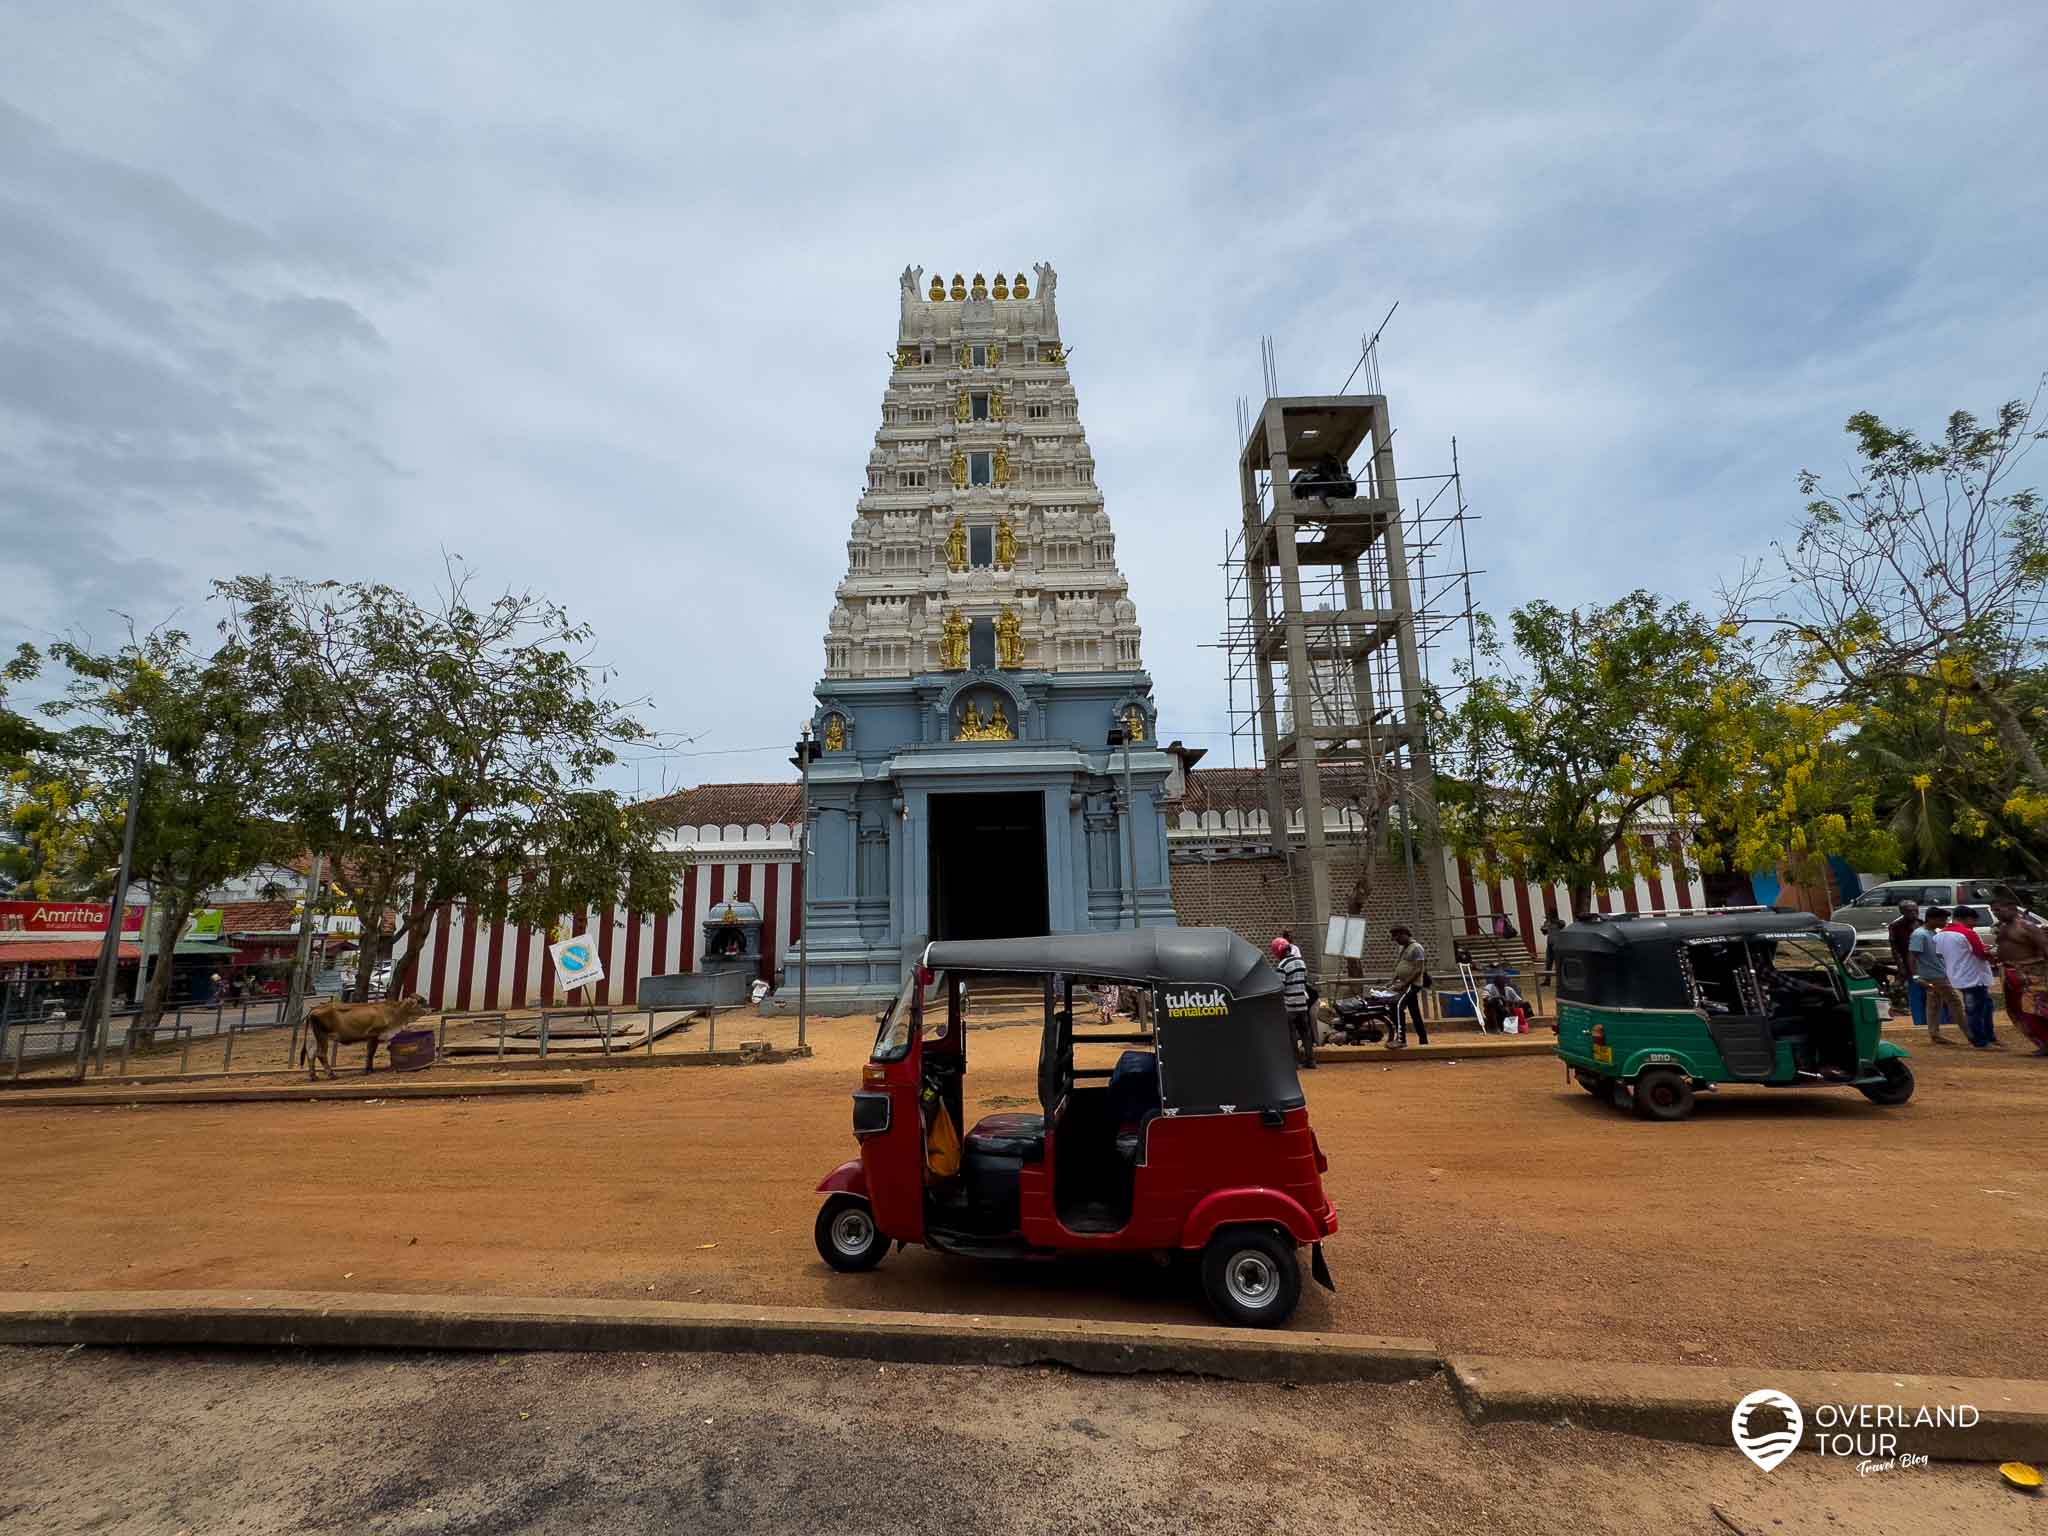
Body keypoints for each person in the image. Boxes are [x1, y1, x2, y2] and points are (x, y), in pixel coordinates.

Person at [1932, 907, 1999, 1048]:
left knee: (1982, 1007)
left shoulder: (1939, 935)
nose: (1974, 924)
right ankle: (1981, 1041)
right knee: (1976, 1010)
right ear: (1966, 918)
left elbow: (1940, 954)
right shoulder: (1967, 933)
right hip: (1974, 976)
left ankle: (1988, 1037)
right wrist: (1993, 954)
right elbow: (1980, 954)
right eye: (1973, 921)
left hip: (1957, 975)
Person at [1990, 901, 2048, 1056]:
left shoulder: (2026, 926)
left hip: (2031, 973)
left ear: (2012, 909)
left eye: (1998, 909)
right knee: (2017, 1010)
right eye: (1993, 910)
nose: (1996, 913)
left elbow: (2045, 947)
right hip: (2010, 973)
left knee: (2036, 1009)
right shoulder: (2002, 928)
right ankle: (2044, 1042)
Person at [1912, 908, 1960, 1044]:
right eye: (1942, 919)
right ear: (1932, 919)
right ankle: (1971, 1034)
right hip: (1934, 976)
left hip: (1937, 973)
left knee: (1934, 1004)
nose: (1945, 922)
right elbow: (1912, 956)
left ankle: (1935, 1034)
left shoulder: (1932, 933)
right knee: (1955, 1002)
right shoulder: (1919, 934)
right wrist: (1916, 976)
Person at [1270, 936, 1313, 1070]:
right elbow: (1304, 981)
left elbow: (1281, 987)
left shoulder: (1282, 965)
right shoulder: (1301, 963)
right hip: (1302, 1004)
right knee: (1306, 1033)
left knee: (1292, 1034)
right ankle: (1311, 1061)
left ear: (1278, 952)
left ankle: (1295, 1062)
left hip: (1290, 1006)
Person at [1388, 925, 1429, 1048]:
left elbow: (1418, 970)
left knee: (1398, 1005)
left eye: (1397, 938)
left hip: (1412, 984)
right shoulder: (1404, 948)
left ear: (1404, 934)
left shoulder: (1416, 948)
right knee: (1415, 1014)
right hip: (1404, 984)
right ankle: (1423, 1042)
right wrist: (1393, 980)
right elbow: (1401, 965)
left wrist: (1404, 984)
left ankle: (1401, 1040)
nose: (1397, 941)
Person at [1887, 899, 1923, 1025]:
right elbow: (1895, 949)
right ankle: (1919, 1020)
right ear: (1902, 912)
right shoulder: (1895, 926)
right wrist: (1901, 966)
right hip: (1908, 964)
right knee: (1914, 993)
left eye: (1915, 910)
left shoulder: (1921, 923)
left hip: (1924, 964)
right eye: (1909, 911)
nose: (1913, 913)